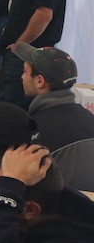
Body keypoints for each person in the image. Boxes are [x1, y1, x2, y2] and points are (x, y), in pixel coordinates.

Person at [17, 43, 94, 191]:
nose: (22, 76)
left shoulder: (34, 130)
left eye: (25, 71)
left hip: (57, 203)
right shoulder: (89, 118)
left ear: (39, 81)